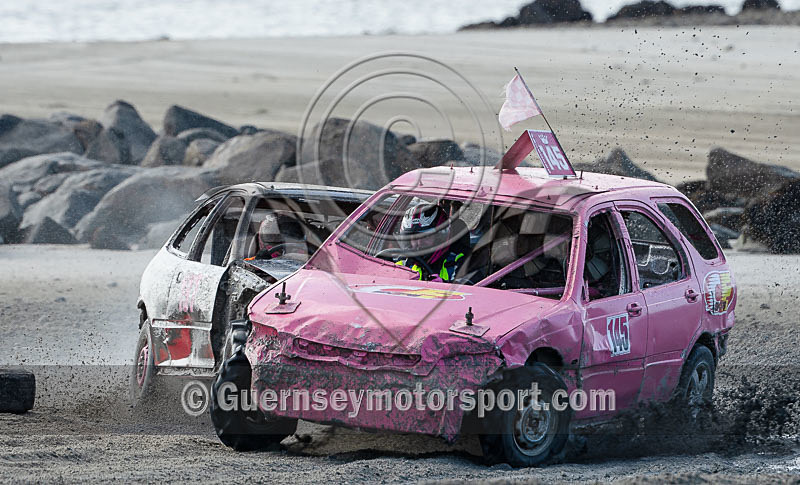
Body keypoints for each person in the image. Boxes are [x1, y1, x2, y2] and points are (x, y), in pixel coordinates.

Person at [395, 202, 465, 281]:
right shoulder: (402, 262)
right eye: (414, 237)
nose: (419, 242)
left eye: (425, 237)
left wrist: (443, 285)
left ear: (439, 238)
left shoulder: (458, 261)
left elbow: (468, 286)